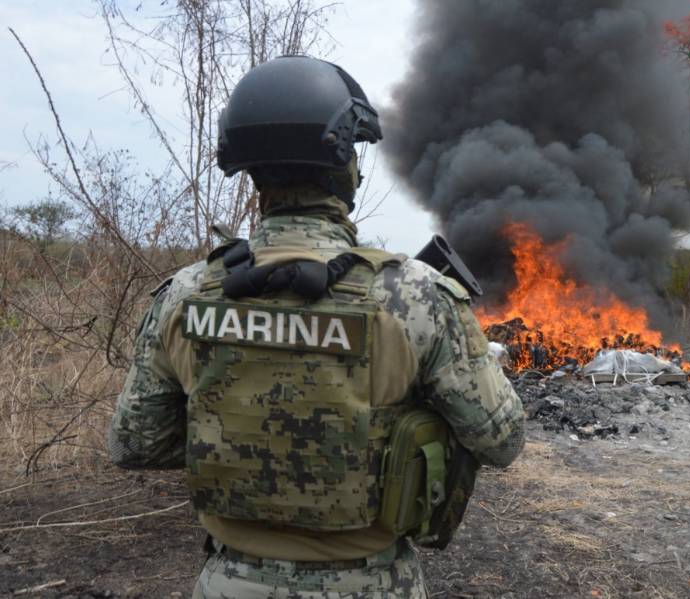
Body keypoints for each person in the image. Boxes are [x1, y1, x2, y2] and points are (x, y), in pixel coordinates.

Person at [108, 55, 525, 598]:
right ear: (343, 168)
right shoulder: (415, 296)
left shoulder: (188, 294)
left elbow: (134, 444)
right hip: (372, 583)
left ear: (253, 173)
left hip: (230, 581)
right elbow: (501, 439)